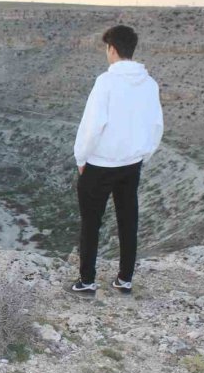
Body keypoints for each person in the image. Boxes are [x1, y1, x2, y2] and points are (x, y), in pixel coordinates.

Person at [70, 25, 163, 295]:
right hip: (132, 163)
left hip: (100, 163)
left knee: (91, 223)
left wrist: (81, 157)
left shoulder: (106, 82)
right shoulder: (150, 84)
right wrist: (144, 154)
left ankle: (87, 280)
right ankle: (125, 278)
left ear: (111, 48)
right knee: (127, 219)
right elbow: (156, 124)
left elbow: (92, 125)